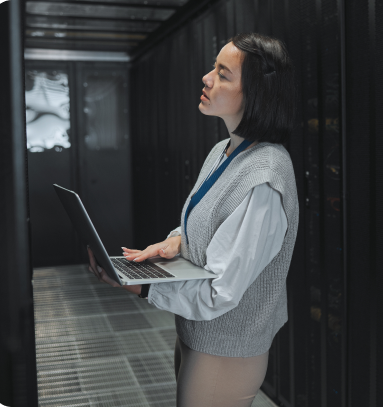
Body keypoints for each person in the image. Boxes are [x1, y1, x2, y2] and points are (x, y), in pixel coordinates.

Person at [87, 32, 299, 407]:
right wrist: (174, 243)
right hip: (195, 333)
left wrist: (140, 286)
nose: (206, 78)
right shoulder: (225, 150)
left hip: (225, 352)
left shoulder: (265, 175)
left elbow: (221, 292)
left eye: (222, 73)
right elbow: (207, 225)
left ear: (254, 93)